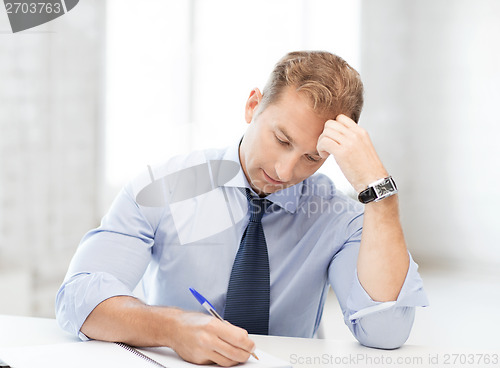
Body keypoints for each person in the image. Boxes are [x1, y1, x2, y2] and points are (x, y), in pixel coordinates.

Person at [56, 51, 428, 367]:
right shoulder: (167, 186)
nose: (285, 172)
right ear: (253, 105)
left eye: (313, 157)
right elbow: (78, 299)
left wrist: (380, 192)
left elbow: (385, 332)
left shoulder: (339, 218)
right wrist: (171, 329)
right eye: (281, 139)